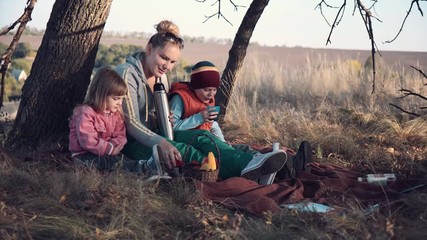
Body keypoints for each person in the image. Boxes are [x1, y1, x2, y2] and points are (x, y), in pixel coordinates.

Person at [114, 20, 288, 181]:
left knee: (203, 137)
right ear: (149, 49)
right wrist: (162, 143)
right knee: (191, 153)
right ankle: (248, 175)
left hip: (160, 134)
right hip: (133, 143)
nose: (167, 65)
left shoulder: (161, 77)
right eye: (164, 57)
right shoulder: (127, 74)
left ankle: (252, 165)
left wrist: (169, 119)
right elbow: (131, 123)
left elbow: (161, 115)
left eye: (173, 61)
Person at [68, 67, 165, 180]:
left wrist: (114, 146)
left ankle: (147, 170)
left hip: (108, 152)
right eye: (115, 99)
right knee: (109, 162)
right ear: (101, 95)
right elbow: (88, 141)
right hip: (84, 156)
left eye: (121, 99)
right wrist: (110, 149)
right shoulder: (86, 112)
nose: (120, 103)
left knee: (122, 159)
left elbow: (120, 135)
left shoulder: (116, 114)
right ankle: (143, 170)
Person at [169, 60, 225, 142]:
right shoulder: (180, 98)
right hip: (184, 143)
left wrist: (223, 142)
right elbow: (171, 127)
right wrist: (200, 118)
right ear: (195, 86)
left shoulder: (208, 99)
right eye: (206, 90)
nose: (211, 94)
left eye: (214, 90)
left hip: (205, 139)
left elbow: (212, 124)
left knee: (239, 149)